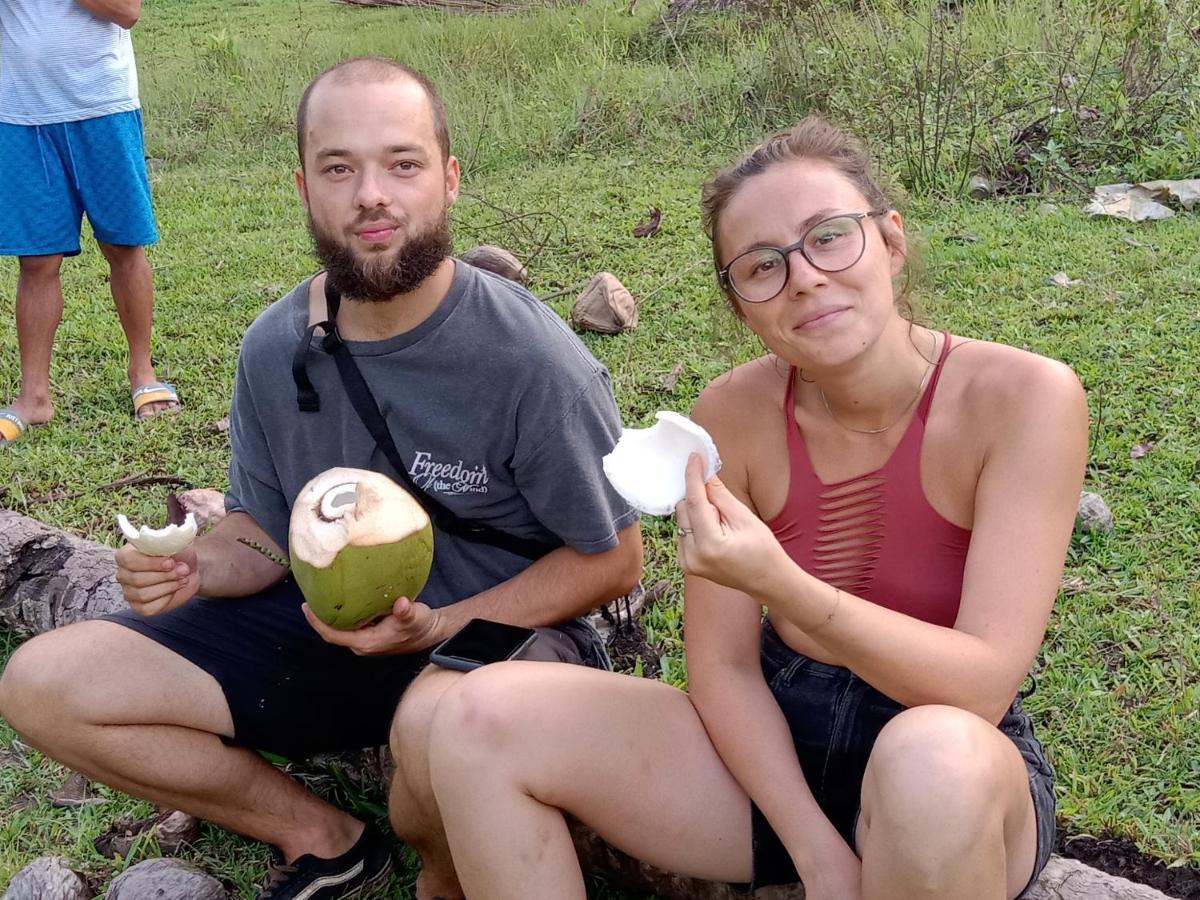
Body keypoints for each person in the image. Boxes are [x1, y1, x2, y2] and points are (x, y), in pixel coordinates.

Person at [0, 57, 642, 900]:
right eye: (340, 168)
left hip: (490, 643)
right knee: (45, 684)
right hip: (328, 629)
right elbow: (262, 535)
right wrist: (196, 566)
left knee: (442, 724)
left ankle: (441, 860)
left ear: (448, 180)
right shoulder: (276, 347)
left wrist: (441, 623)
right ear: (304, 186)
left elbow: (613, 560)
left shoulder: (531, 362)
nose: (371, 194)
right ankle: (324, 840)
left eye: (402, 164)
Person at [422, 117, 1088, 900]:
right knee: (476, 718)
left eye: (830, 237)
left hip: (958, 767)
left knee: (930, 759)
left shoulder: (1024, 399)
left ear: (892, 241)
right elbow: (726, 668)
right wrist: (814, 854)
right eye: (762, 266)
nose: (804, 277)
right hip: (776, 746)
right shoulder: (732, 414)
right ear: (741, 306)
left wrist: (786, 585)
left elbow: (979, 687)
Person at [0, 0, 179, 446]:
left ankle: (143, 371)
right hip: (22, 114)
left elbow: (127, 11)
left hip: (104, 105)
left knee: (124, 246)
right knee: (37, 260)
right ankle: (34, 397)